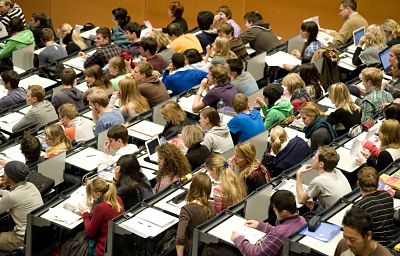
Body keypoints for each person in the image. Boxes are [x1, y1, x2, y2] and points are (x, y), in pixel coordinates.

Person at [231, 190, 306, 256]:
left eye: (275, 208)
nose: (273, 209)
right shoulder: (302, 220)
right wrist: (261, 226)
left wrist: (239, 240)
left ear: (283, 212)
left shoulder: (279, 233)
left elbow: (256, 254)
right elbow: (285, 232)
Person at [0, 161, 43, 252]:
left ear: (10, 179)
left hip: (20, 239)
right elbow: (13, 195)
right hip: (35, 234)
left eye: (4, 173)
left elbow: (11, 197)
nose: (3, 175)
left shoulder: (12, 197)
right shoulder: (31, 185)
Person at [296, 146, 351, 210]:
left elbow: (300, 199)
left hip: (331, 214)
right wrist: (311, 193)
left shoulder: (318, 181)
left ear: (321, 164)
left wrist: (298, 175)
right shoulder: (338, 171)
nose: (313, 158)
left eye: (315, 157)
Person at [78, 178, 124, 256]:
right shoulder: (117, 199)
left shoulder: (100, 207)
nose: (93, 199)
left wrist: (85, 214)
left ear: (98, 194)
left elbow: (90, 233)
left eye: (93, 196)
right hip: (116, 247)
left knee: (68, 245)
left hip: (101, 250)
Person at [353, 167, 396, 246]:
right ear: (378, 182)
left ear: (358, 184)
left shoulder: (359, 206)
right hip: (392, 241)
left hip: (375, 247)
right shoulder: (386, 195)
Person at [176, 173, 214, 256]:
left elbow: (180, 237)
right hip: (207, 249)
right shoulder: (213, 206)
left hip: (192, 250)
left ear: (192, 187)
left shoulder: (186, 209)